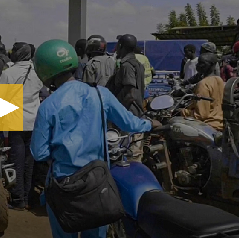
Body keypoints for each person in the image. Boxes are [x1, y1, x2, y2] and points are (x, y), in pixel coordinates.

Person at [30, 39, 159, 238]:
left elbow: (39, 153)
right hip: (97, 183)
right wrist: (150, 124)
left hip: (63, 184)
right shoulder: (100, 94)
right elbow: (129, 123)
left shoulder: (48, 105)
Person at [0, 43, 43, 210]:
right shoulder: (38, 71)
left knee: (16, 161)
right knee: (29, 162)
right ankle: (28, 197)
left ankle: (18, 200)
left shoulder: (8, 73)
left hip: (15, 122)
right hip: (34, 122)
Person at [107, 34, 145, 162]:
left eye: (118, 46)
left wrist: (118, 112)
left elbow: (130, 94)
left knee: (129, 156)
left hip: (129, 116)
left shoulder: (127, 66)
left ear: (121, 46)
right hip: (135, 114)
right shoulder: (138, 64)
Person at [182, 53, 225, 131]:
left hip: (208, 124)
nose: (198, 65)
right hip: (220, 122)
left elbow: (201, 115)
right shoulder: (219, 80)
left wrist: (183, 111)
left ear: (210, 65)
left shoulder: (203, 84)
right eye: (198, 62)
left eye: (201, 63)